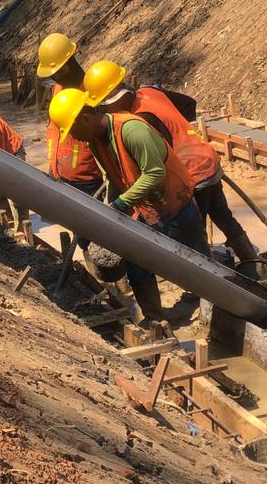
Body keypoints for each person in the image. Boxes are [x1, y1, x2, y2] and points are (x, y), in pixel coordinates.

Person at [82, 60, 262, 278]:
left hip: (190, 172)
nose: (102, 111)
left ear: (112, 100)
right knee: (224, 217)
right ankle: (252, 263)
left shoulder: (139, 121)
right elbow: (188, 103)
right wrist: (186, 132)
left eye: (102, 105)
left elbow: (158, 164)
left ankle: (209, 282)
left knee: (195, 235)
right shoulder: (149, 92)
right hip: (206, 158)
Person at [48, 86, 207, 323]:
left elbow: (154, 173)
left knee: (198, 262)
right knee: (137, 263)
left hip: (176, 202)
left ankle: (211, 312)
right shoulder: (95, 142)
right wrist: (111, 208)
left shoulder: (132, 130)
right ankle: (155, 320)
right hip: (148, 207)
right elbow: (114, 177)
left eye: (73, 130)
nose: (74, 137)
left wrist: (121, 203)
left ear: (84, 117)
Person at [36, 33, 102, 195]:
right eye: (53, 74)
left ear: (70, 61)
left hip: (86, 177)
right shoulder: (58, 88)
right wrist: (53, 164)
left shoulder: (90, 91)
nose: (57, 77)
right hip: (60, 171)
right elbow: (55, 129)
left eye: (59, 71)